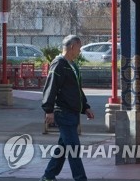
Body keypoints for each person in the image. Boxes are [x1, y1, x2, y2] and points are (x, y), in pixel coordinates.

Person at [40, 35, 95, 181]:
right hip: (63, 112)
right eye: (79, 47)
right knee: (73, 148)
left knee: (64, 147)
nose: (79, 51)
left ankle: (48, 175)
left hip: (73, 113)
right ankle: (80, 178)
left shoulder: (73, 65)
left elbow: (77, 89)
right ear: (72, 47)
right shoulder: (58, 64)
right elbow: (50, 88)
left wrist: (86, 107)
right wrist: (49, 110)